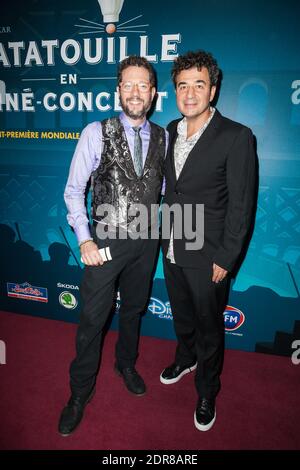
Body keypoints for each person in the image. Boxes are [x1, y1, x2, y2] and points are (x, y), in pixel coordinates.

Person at [59, 55, 167, 436]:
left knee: (134, 310)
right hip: (104, 240)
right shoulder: (95, 132)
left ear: (154, 94)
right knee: (92, 319)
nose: (136, 92)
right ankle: (79, 393)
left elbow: (162, 191)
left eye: (143, 86)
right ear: (118, 90)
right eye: (128, 84)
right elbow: (74, 191)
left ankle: (126, 363)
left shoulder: (165, 137)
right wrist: (85, 239)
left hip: (145, 243)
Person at [160, 50, 256, 431]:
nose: (189, 93)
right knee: (182, 315)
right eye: (182, 85)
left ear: (212, 90)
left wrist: (226, 257)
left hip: (210, 252)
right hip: (171, 243)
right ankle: (186, 358)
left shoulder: (237, 136)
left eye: (198, 85)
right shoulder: (168, 130)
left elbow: (241, 204)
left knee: (209, 325)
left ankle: (207, 389)